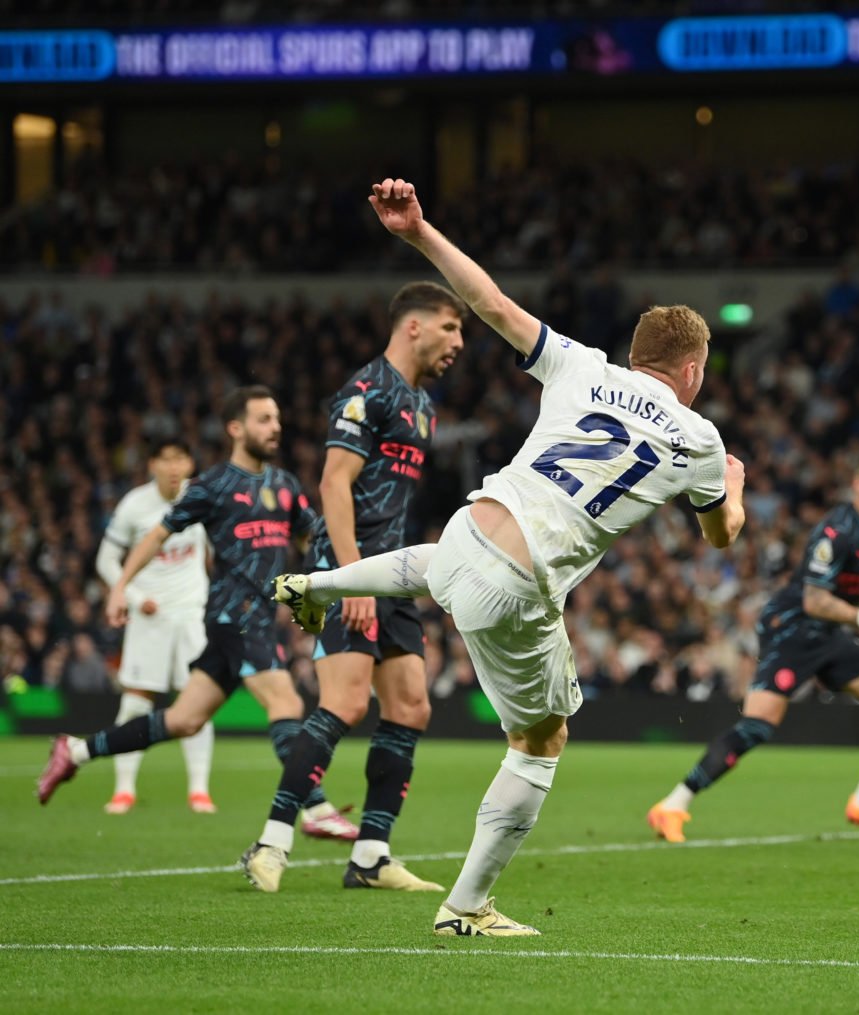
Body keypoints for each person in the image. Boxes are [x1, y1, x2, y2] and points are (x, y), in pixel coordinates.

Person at [265, 177, 746, 937]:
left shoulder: (584, 366)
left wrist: (419, 233)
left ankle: (317, 581)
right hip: (518, 584)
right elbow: (722, 537)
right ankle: (465, 907)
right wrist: (736, 488)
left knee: (436, 564)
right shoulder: (701, 440)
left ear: (635, 355)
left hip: (471, 527)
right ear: (692, 369)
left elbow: (490, 304)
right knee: (540, 740)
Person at [37, 387, 346, 841]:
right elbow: (157, 536)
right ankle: (316, 808)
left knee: (183, 720)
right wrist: (121, 585)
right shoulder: (212, 485)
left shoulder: (284, 485)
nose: (275, 427)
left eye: (277, 418)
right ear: (235, 428)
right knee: (286, 702)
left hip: (258, 613)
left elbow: (313, 536)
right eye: (263, 419)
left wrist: (332, 576)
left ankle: (75, 751)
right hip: (232, 615)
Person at [242, 282, 465, 894]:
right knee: (344, 703)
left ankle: (370, 856)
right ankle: (271, 843)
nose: (459, 343)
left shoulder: (423, 404)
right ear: (414, 326)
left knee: (411, 704)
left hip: (390, 572)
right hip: (350, 568)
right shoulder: (366, 392)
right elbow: (333, 484)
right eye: (451, 328)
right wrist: (348, 579)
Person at [648, 448, 859, 843]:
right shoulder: (836, 531)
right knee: (757, 727)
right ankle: (672, 806)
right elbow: (814, 600)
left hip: (831, 634)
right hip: (792, 628)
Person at [93, 438, 215, 814]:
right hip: (150, 617)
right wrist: (131, 597)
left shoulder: (202, 497)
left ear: (190, 464)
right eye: (167, 460)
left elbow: (215, 550)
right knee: (135, 702)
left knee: (198, 703)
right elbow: (106, 560)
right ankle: (124, 789)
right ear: (153, 465)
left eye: (182, 459)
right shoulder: (135, 504)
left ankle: (199, 790)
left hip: (192, 614)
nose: (175, 467)